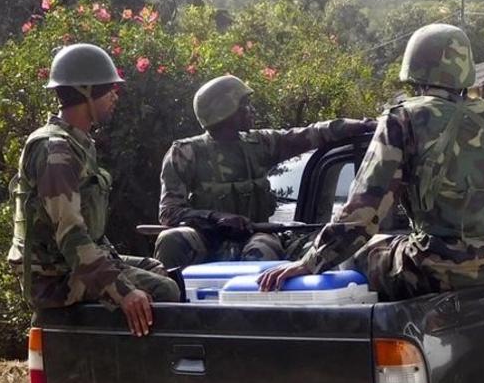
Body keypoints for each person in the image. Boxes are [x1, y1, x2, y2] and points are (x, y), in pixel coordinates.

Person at [258, 23, 484, 299]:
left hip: (434, 270)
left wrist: (310, 261)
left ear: (416, 70)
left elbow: (364, 213)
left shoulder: (403, 118)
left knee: (363, 252)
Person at [7, 43, 179, 337]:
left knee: (157, 268)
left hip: (69, 265)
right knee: (163, 290)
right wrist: (123, 291)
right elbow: (70, 235)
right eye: (108, 88)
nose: (115, 95)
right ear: (86, 92)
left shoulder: (75, 143)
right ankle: (135, 376)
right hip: (54, 279)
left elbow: (87, 230)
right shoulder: (55, 152)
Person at [154, 75, 375, 268]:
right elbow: (169, 212)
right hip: (206, 236)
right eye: (245, 105)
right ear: (226, 110)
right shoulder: (185, 153)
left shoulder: (260, 143)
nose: (251, 110)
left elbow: (308, 135)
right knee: (171, 240)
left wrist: (358, 126)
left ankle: (254, 312)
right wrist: (214, 217)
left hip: (256, 233)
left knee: (262, 249)